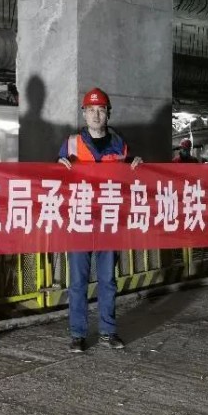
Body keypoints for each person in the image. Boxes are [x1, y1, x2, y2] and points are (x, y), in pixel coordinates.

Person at [58, 87, 142, 353]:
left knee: (107, 280)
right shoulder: (71, 144)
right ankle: (78, 334)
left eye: (101, 110)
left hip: (108, 220)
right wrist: (58, 167)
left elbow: (130, 180)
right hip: (80, 220)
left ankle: (108, 330)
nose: (96, 115)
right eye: (91, 110)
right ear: (84, 113)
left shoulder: (120, 145)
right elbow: (54, 180)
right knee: (78, 281)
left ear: (108, 113)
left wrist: (138, 167)